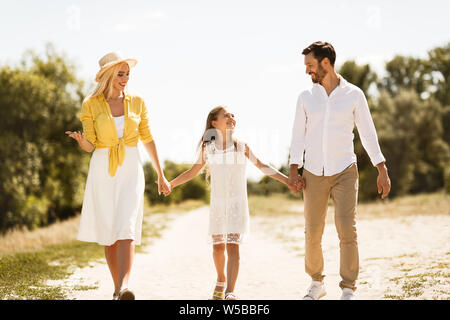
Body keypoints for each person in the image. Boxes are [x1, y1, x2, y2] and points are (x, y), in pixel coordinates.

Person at [288, 41, 391, 300]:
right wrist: (293, 170)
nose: (307, 71)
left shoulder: (354, 95)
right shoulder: (306, 98)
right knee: (312, 231)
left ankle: (348, 287)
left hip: (345, 169)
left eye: (310, 65)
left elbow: (368, 133)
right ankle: (316, 282)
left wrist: (382, 168)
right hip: (312, 171)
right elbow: (297, 136)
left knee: (347, 228)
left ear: (326, 63)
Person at [66, 52, 171, 300]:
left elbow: (147, 137)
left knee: (127, 225)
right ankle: (117, 290)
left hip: (131, 167)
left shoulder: (137, 101)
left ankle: (125, 286)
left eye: (127, 74)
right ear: (108, 75)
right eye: (120, 74)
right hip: (102, 167)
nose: (125, 79)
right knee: (110, 231)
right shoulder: (90, 104)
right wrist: (82, 141)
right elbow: (91, 145)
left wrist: (161, 174)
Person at [163, 106, 296, 300]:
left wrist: (287, 180)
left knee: (233, 246)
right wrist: (171, 184)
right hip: (218, 204)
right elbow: (192, 172)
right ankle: (221, 278)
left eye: (233, 115)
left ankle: (230, 290)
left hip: (237, 204)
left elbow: (263, 166)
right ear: (214, 123)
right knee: (218, 248)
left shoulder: (241, 147)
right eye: (226, 115)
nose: (232, 117)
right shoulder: (208, 148)